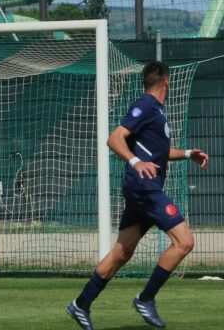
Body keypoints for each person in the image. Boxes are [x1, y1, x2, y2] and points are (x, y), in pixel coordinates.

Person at [66, 61, 208, 330]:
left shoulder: (156, 112)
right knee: (185, 242)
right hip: (145, 188)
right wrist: (135, 162)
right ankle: (146, 298)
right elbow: (115, 138)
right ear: (166, 81)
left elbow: (158, 153)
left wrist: (189, 154)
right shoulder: (144, 106)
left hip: (143, 189)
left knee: (122, 252)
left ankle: (81, 304)